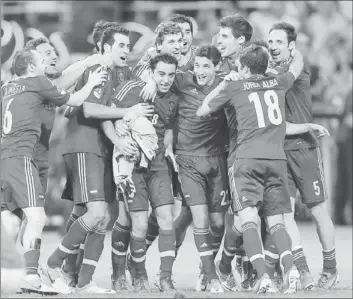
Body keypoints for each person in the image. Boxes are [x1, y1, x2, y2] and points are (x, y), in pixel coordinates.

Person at [40, 25, 153, 295]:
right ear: (105, 48)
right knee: (97, 213)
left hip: (104, 150)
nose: (126, 50)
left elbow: (145, 65)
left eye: (128, 46)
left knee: (98, 218)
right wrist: (130, 111)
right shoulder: (98, 69)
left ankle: (83, 281)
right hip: (85, 145)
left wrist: (149, 79)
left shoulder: (119, 72)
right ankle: (53, 266)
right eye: (121, 46)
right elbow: (89, 109)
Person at [197, 44, 304, 294]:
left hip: (247, 160)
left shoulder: (235, 86)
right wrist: (293, 50)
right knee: (276, 222)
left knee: (248, 221)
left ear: (243, 67)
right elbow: (296, 67)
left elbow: (203, 109)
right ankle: (291, 270)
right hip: (277, 160)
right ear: (265, 66)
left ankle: (263, 277)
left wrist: (226, 83)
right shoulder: (279, 82)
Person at [1, 48, 106, 294]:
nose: (44, 64)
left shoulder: (8, 87)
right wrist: (91, 80)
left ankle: (18, 273)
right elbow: (76, 100)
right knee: (36, 217)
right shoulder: (37, 82)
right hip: (21, 156)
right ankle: (30, 275)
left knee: (12, 219)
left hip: (5, 156)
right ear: (30, 67)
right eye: (40, 60)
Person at [265, 22, 338, 290]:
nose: (273, 46)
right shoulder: (265, 72)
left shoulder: (296, 66)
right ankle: (303, 270)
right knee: (286, 214)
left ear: (290, 47)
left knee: (319, 211)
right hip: (278, 151)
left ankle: (330, 269)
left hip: (305, 148)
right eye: (270, 42)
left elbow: (296, 62)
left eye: (279, 42)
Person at [104, 53, 179, 293]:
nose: (166, 80)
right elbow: (107, 117)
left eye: (171, 74)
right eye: (161, 74)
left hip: (157, 166)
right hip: (131, 165)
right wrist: (119, 142)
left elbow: (167, 128)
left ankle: (166, 278)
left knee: (167, 218)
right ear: (151, 72)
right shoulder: (133, 89)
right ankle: (139, 275)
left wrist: (167, 146)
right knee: (138, 223)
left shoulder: (173, 99)